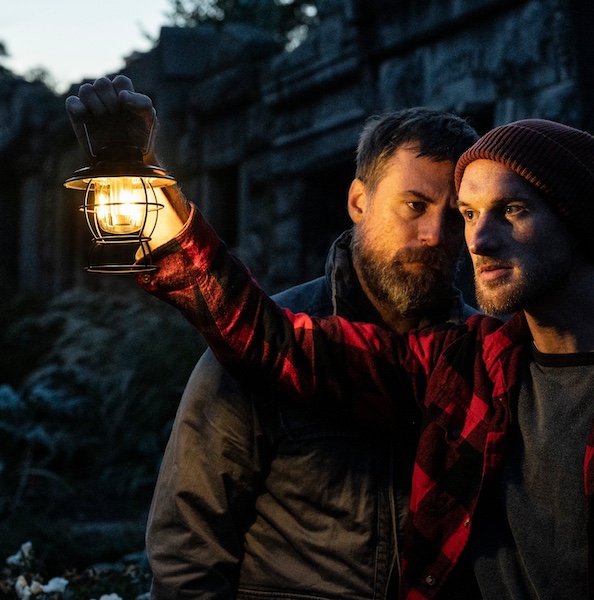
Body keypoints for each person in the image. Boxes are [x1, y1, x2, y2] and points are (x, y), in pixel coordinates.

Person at [67, 78, 594, 599]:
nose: (467, 235)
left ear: (576, 222)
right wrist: (138, 182)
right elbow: (266, 339)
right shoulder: (469, 364)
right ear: (358, 201)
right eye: (459, 209)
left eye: (506, 211)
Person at [66, 76, 479, 599]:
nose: (435, 236)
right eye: (414, 205)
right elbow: (187, 552)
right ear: (358, 201)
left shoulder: (484, 357)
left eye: (458, 216)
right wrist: (137, 176)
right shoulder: (263, 345)